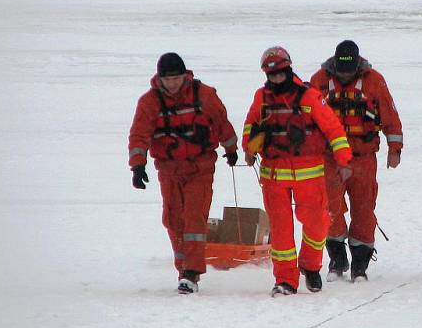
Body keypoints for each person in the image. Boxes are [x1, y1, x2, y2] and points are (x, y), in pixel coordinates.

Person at [242, 46, 353, 296]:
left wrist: (344, 161)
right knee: (281, 232)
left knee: (316, 223)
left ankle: (311, 267)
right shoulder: (262, 97)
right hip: (273, 174)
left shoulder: (309, 97)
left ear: (288, 69)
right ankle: (285, 280)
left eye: (280, 73)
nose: (277, 79)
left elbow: (333, 129)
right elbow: (250, 124)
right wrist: (248, 148)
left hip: (309, 173)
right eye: (272, 75)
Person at [128, 52, 239, 294]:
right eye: (168, 80)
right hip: (168, 170)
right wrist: (138, 164)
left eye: (177, 78)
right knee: (172, 219)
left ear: (184, 76)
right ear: (160, 79)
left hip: (200, 167)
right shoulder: (149, 102)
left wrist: (231, 148)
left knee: (194, 218)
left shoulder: (205, 95)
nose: (173, 84)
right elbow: (139, 134)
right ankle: (183, 269)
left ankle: (192, 272)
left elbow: (222, 123)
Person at [309, 40, 403, 282]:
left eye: (348, 71)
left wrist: (395, 149)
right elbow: (305, 118)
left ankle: (360, 265)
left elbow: (390, 115)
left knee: (364, 209)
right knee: (330, 208)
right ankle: (337, 259)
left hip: (363, 158)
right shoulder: (319, 81)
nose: (344, 74)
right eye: (341, 70)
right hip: (329, 159)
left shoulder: (375, 81)